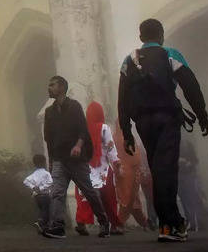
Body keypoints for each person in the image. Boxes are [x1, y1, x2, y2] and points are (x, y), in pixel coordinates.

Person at [117, 18, 208, 242]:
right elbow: (191, 87)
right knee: (165, 169)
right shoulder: (170, 54)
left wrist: (127, 131)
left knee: (158, 169)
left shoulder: (129, 60)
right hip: (167, 118)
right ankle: (171, 224)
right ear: (161, 35)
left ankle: (167, 224)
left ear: (141, 37)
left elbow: (123, 99)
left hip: (143, 122)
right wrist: (202, 115)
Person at [41, 75, 111, 239]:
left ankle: (103, 222)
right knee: (57, 193)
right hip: (59, 159)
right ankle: (58, 227)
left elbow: (82, 130)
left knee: (89, 191)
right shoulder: (49, 112)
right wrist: (51, 161)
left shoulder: (74, 107)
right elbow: (48, 138)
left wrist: (78, 146)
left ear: (62, 88)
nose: (49, 88)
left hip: (77, 160)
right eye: (49, 85)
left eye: (53, 85)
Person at [73, 101, 124, 235]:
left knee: (85, 197)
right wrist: (116, 162)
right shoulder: (104, 128)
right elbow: (110, 146)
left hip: (85, 170)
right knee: (108, 198)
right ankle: (113, 225)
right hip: (103, 170)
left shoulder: (81, 128)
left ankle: (81, 223)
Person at [112, 125, 153, 231]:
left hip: (121, 172)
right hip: (130, 173)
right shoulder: (126, 137)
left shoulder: (114, 137)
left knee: (131, 199)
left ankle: (144, 223)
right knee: (129, 199)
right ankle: (118, 224)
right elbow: (134, 155)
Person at [177, 137, 207, 232]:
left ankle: (200, 222)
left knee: (192, 198)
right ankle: (192, 223)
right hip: (178, 175)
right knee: (184, 198)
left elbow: (195, 160)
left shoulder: (187, 144)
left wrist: (188, 163)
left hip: (188, 174)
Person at [23, 154, 54, 236]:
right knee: (46, 210)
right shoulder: (46, 173)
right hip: (45, 195)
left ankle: (42, 227)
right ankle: (40, 223)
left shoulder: (34, 174)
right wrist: (41, 188)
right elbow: (51, 182)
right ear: (44, 163)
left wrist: (33, 187)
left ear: (34, 164)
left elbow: (25, 181)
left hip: (37, 197)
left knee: (42, 210)